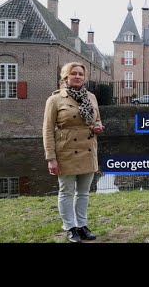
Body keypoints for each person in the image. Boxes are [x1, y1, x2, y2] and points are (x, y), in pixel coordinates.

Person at [43, 62, 105, 242]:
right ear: (65, 76)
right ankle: (70, 228)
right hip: (66, 152)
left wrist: (98, 126)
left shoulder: (91, 97)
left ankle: (82, 225)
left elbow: (97, 120)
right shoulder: (55, 99)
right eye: (73, 73)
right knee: (66, 191)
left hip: (87, 150)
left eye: (80, 74)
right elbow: (47, 130)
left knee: (84, 192)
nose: (77, 76)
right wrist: (51, 158)